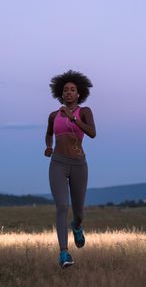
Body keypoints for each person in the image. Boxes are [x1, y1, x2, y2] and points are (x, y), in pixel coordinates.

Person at [44, 70, 96, 268]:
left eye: (72, 90)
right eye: (65, 90)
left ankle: (77, 226)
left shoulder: (85, 111)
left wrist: (73, 119)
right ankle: (64, 253)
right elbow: (49, 134)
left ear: (79, 94)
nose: (68, 93)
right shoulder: (53, 115)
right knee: (62, 206)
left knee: (78, 211)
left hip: (79, 165)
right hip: (58, 163)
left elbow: (92, 133)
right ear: (60, 93)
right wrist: (48, 146)